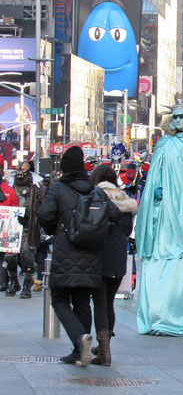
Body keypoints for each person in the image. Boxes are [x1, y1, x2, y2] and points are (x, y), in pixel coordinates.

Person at [37, 146, 121, 366]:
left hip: (66, 252)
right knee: (82, 302)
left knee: (60, 299)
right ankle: (79, 352)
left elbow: (44, 214)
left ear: (64, 168)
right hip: (92, 254)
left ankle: (79, 340)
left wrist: (55, 229)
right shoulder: (95, 190)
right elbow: (113, 213)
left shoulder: (58, 189)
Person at [135, 103, 183, 337]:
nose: (177, 120)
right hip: (166, 209)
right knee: (160, 260)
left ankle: (182, 314)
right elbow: (154, 172)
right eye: (174, 116)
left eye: (182, 117)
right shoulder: (164, 143)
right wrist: (156, 190)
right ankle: (159, 314)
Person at [89, 165, 138, 365]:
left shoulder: (95, 195)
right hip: (118, 255)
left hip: (99, 253)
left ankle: (104, 352)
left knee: (99, 303)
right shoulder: (124, 199)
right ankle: (105, 344)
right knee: (108, 302)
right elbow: (127, 231)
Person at [7, 161, 48, 298]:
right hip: (12, 225)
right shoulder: (11, 185)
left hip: (30, 226)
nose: (20, 171)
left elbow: (43, 207)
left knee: (26, 255)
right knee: (10, 257)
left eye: (23, 169)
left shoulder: (38, 187)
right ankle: (13, 281)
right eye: (19, 168)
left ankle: (27, 284)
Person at [0, 155, 19, 292]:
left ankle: (4, 281)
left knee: (4, 259)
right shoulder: (9, 190)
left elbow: (15, 213)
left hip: (5, 232)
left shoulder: (9, 191)